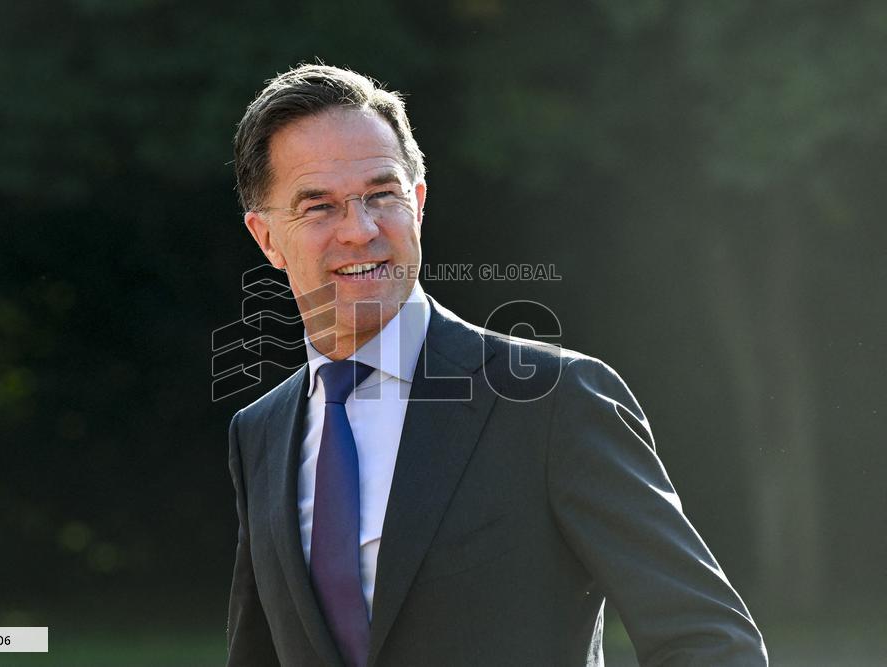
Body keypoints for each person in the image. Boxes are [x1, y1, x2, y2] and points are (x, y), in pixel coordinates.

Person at [226, 64, 768, 666]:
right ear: (267, 238)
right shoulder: (261, 433)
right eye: (319, 206)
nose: (361, 230)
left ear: (419, 204)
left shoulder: (554, 401)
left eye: (382, 194)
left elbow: (711, 645)